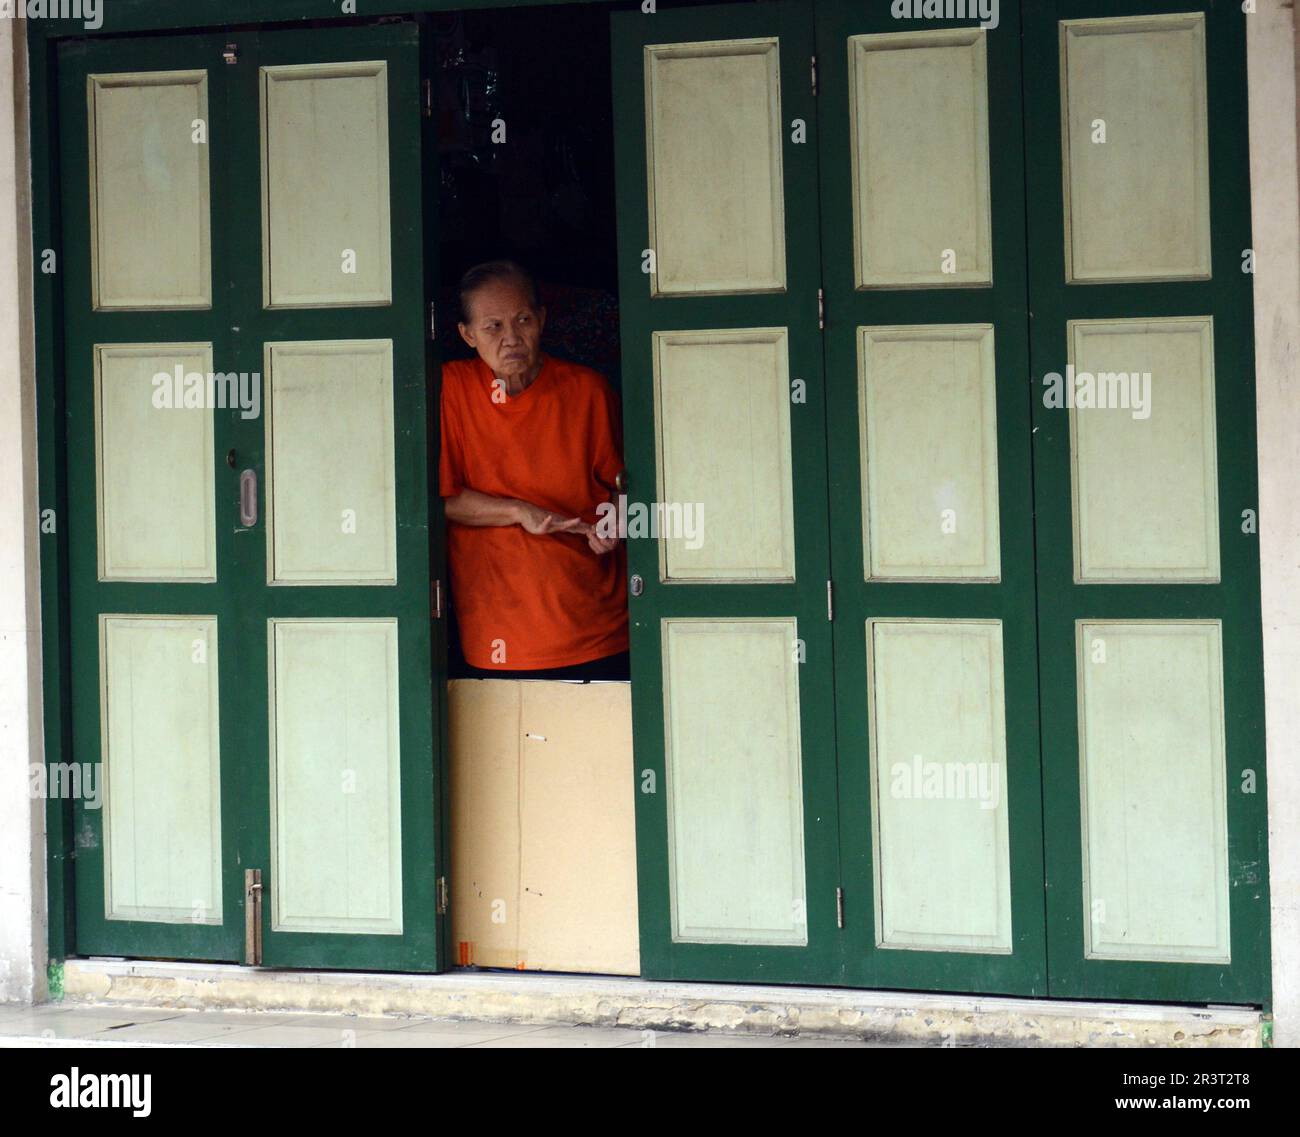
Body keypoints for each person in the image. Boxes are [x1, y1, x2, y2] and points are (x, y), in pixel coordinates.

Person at [439, 259, 629, 680]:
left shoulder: (588, 391)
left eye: (522, 319)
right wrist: (518, 511)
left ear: (542, 319)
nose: (512, 338)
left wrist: (614, 521)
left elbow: (625, 486)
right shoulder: (451, 389)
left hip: (597, 624)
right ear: (467, 335)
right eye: (493, 327)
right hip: (501, 633)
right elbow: (442, 500)